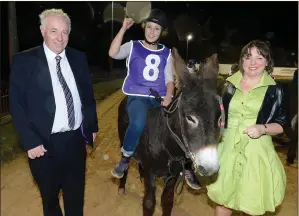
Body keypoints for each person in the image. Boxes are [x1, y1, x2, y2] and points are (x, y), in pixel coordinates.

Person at [9, 9, 98, 216]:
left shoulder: (78, 58)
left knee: (75, 199)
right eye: (54, 31)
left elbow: (87, 96)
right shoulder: (25, 61)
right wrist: (30, 141)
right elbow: (17, 103)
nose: (60, 38)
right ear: (42, 31)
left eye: (65, 32)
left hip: (75, 142)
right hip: (43, 146)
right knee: (50, 201)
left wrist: (91, 125)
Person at [109, 9, 201, 190]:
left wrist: (169, 95)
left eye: (156, 29)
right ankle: (125, 158)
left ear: (161, 32)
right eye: (149, 27)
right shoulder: (133, 45)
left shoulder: (165, 53)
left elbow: (168, 79)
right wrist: (123, 29)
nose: (152, 31)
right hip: (137, 96)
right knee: (137, 122)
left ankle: (187, 165)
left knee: (182, 122)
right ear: (143, 27)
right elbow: (113, 53)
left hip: (159, 97)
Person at [207, 40, 289, 216]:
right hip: (227, 149)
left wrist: (262, 129)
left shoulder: (275, 90)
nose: (253, 63)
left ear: (267, 62)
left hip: (256, 152)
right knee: (223, 199)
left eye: (259, 58)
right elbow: (216, 114)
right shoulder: (228, 85)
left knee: (250, 202)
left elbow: (282, 124)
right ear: (242, 60)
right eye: (248, 57)